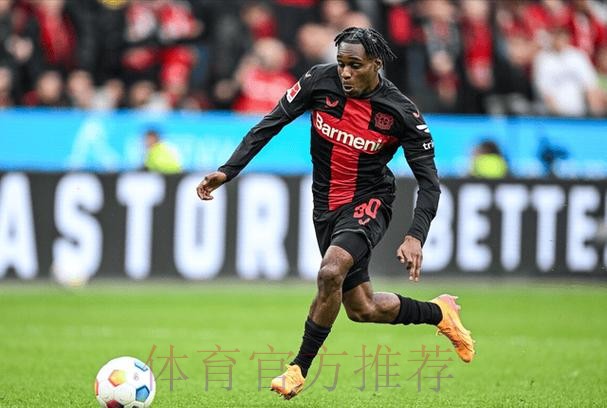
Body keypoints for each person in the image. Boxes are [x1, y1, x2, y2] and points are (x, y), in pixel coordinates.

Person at [196, 27, 475, 400]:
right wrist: (227, 171)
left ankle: (297, 368)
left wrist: (415, 236)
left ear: (376, 64)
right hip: (325, 206)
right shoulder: (318, 81)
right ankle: (439, 313)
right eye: (341, 63)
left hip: (370, 200)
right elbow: (269, 125)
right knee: (362, 309)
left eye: (354, 65)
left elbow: (429, 183)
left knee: (330, 271)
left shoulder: (401, 112)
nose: (345, 72)